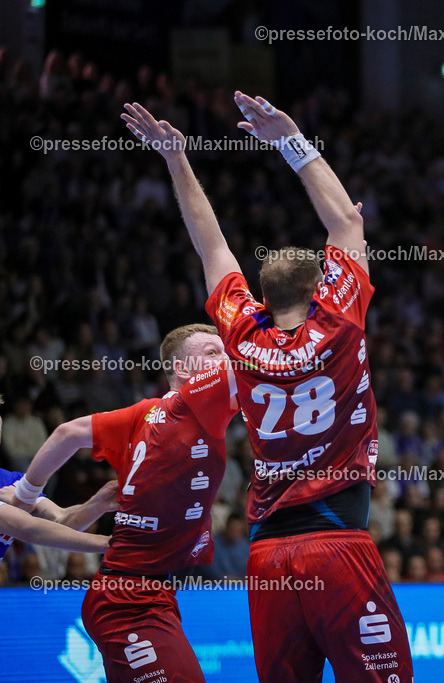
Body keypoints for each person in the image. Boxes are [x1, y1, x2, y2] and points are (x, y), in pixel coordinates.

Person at [122, 97, 413, 682]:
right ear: (320, 286)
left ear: (264, 293)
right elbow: (347, 222)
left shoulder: (240, 330)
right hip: (337, 546)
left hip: (266, 557)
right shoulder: (340, 321)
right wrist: (291, 139)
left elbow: (211, 246)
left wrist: (176, 159)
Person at [13, 325, 238, 682]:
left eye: (223, 352)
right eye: (212, 353)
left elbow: (66, 433)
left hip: (140, 590)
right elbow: (260, 359)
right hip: (129, 600)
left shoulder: (142, 412)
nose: (225, 359)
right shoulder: (201, 402)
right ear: (182, 369)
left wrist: (26, 492)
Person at [0, 399, 115, 561]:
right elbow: (26, 528)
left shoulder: (11, 480)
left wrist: (98, 504)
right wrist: (111, 544)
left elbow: (61, 521)